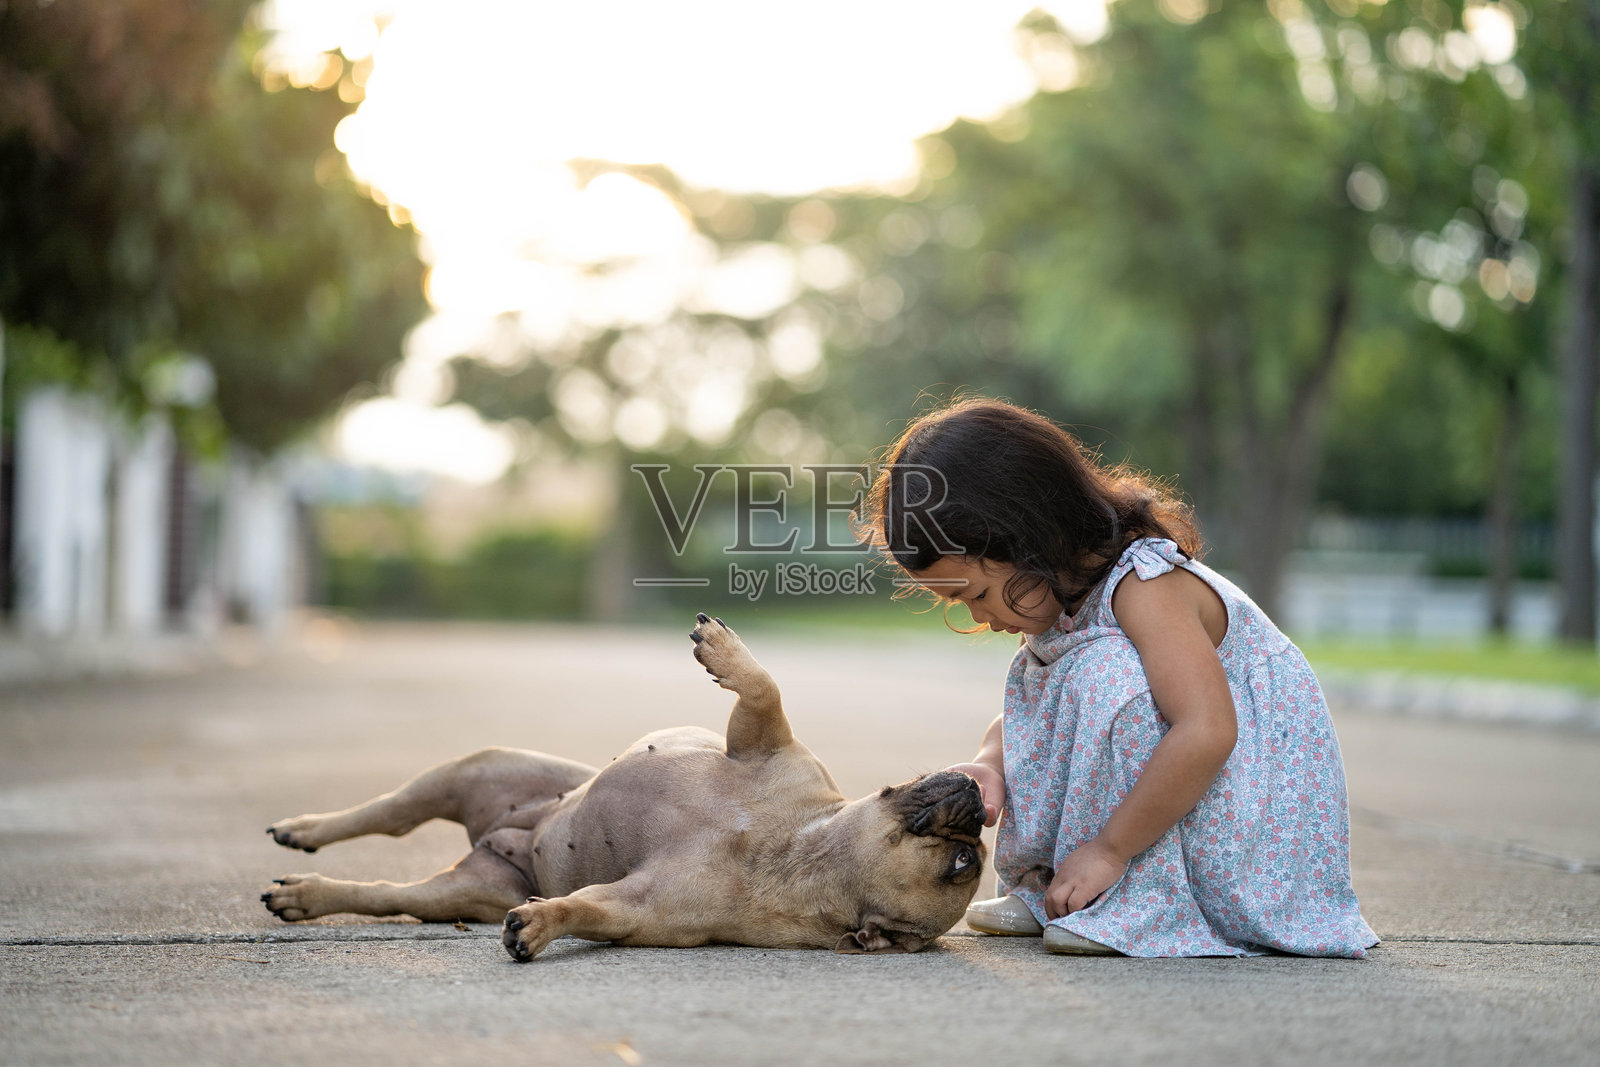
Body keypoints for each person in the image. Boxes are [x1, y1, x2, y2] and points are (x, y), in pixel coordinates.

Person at [859, 397, 1378, 958]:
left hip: (1253, 833)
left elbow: (1206, 731)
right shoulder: (1067, 604)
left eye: (976, 595)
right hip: (1182, 811)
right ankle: (1054, 890)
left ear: (1030, 536)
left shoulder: (1146, 586)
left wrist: (1110, 849)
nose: (979, 617)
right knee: (1060, 672)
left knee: (1098, 672)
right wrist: (990, 762)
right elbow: (1038, 713)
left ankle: (1139, 901)